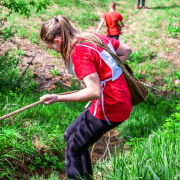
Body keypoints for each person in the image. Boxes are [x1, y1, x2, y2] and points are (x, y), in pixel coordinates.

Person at [40, 15, 132, 180]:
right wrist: (105, 76)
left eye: (50, 46)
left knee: (73, 149)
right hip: (120, 99)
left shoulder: (79, 53)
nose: (52, 50)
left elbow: (94, 92)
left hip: (110, 106)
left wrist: (57, 98)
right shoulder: (92, 37)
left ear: (58, 40)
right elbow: (126, 51)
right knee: (69, 135)